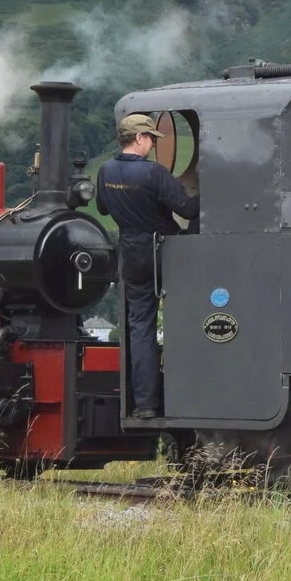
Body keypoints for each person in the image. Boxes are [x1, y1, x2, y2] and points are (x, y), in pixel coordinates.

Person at [94, 111, 198, 419]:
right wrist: (208, 188)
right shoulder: (153, 173)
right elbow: (187, 209)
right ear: (139, 138)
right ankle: (188, 392)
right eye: (151, 138)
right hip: (165, 251)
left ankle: (146, 404)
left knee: (140, 327)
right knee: (192, 317)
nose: (153, 144)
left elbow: (102, 206)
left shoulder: (105, 171)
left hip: (131, 252)